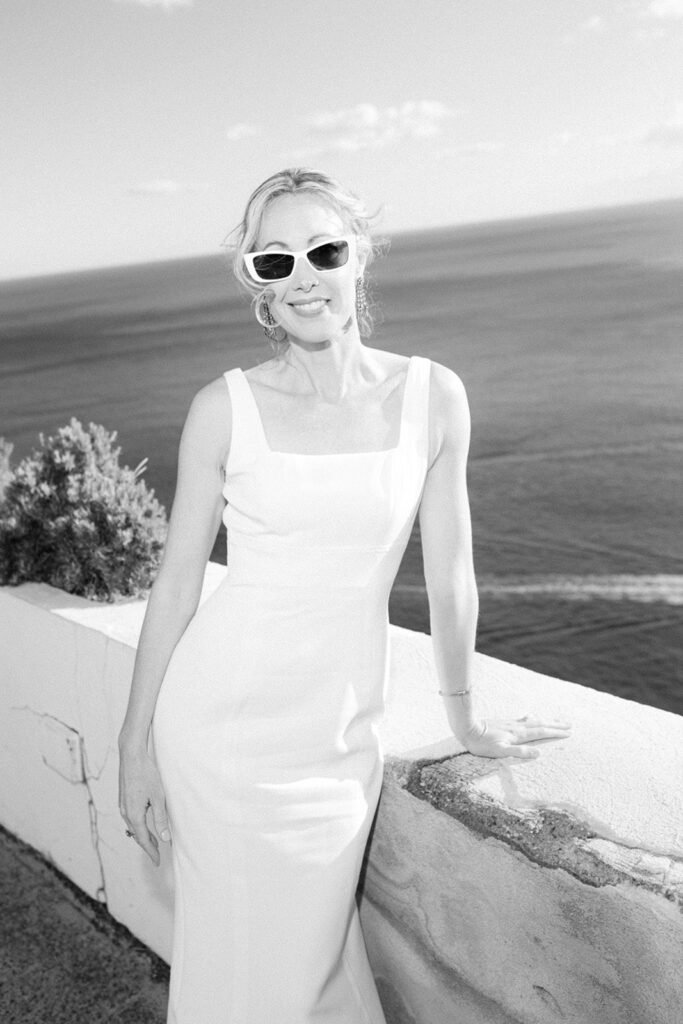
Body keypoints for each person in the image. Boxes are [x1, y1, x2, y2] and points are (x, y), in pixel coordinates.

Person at [117, 168, 571, 1024]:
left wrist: (466, 717)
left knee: (307, 970)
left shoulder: (434, 397)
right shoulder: (223, 409)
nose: (301, 276)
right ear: (254, 280)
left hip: (339, 738)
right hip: (221, 734)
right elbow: (176, 583)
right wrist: (133, 741)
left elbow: (449, 573)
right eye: (274, 259)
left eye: (322, 250)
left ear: (358, 258)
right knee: (262, 978)